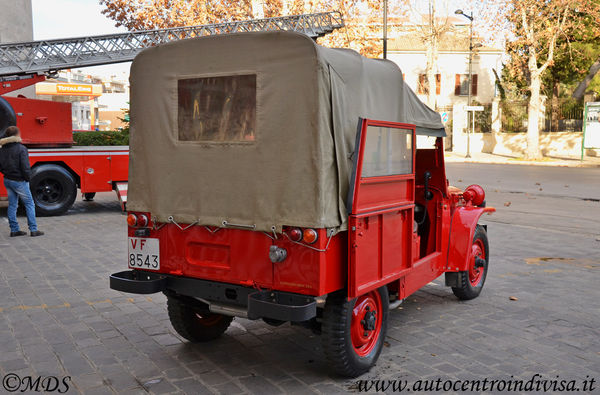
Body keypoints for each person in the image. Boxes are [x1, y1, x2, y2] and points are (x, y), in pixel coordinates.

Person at [0, 126, 44, 237]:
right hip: (19, 181)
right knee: (29, 204)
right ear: (16, 135)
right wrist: (28, 178)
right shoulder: (21, 148)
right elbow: (25, 167)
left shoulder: (2, 149)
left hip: (7, 179)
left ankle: (14, 230)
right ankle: (33, 230)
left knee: (12, 205)